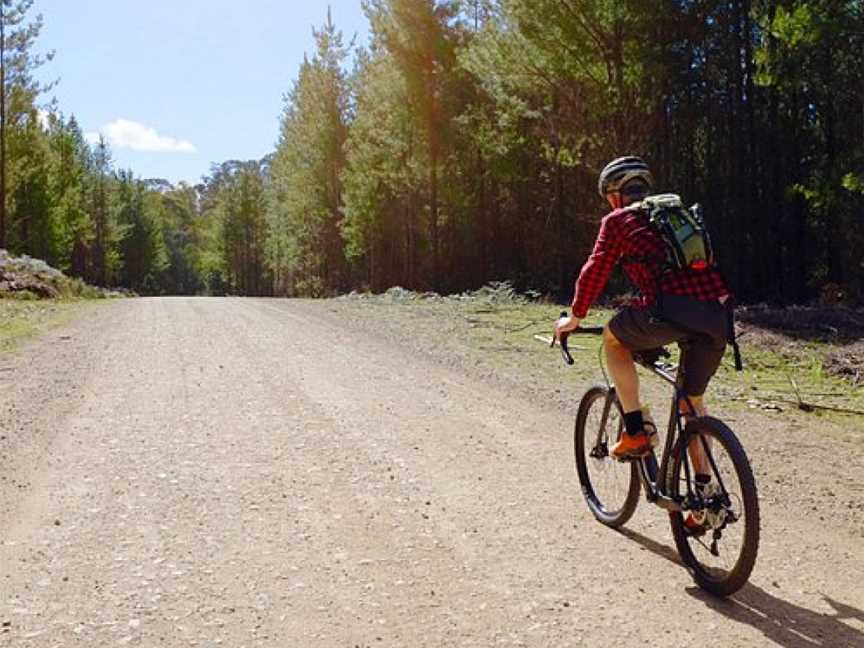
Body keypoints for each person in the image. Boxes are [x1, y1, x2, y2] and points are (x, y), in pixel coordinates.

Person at [554, 156, 732, 470]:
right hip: (718, 315)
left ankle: (636, 431)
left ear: (614, 196)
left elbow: (595, 270)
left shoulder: (619, 219)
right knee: (692, 403)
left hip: (670, 312)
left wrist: (575, 317)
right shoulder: (674, 216)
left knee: (613, 337)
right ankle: (705, 497)